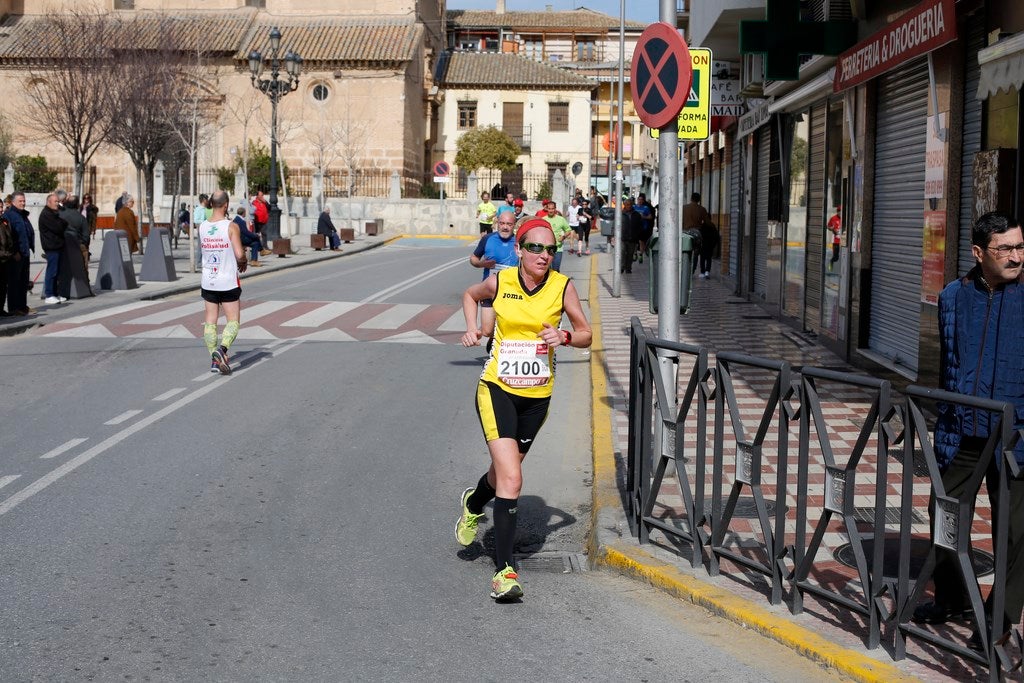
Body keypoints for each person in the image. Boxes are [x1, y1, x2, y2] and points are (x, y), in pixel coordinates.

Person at [457, 216, 592, 601]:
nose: (543, 255)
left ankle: (473, 501)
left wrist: (564, 335)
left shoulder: (563, 287)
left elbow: (587, 333)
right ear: (519, 250)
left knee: (503, 473)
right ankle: (504, 572)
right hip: (497, 388)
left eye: (550, 249)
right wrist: (471, 328)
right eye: (535, 247)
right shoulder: (501, 281)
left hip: (537, 396)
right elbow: (470, 295)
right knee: (513, 480)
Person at [913, 212, 1024, 651]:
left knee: (1014, 532)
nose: (1017, 256)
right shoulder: (953, 296)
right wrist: (945, 419)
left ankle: (998, 617)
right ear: (979, 253)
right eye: (1006, 249)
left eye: (1020, 247)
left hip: (1017, 437)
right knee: (946, 513)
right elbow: (948, 365)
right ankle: (953, 597)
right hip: (963, 431)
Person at [200, 190, 247, 375]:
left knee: (210, 321)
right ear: (226, 205)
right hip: (227, 280)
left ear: (211, 204)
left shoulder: (202, 226)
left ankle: (213, 359)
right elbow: (239, 254)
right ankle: (222, 349)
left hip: (208, 280)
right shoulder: (231, 226)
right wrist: (243, 262)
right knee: (233, 320)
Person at [469, 210, 518, 344]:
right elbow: (473, 258)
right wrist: (481, 264)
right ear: (497, 223)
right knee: (487, 331)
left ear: (514, 225)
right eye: (502, 223)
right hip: (489, 290)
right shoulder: (487, 239)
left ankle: (500, 345)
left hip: (512, 291)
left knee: (511, 326)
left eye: (509, 224)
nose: (505, 227)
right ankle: (494, 336)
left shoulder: (520, 241)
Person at [3, 192, 33, 315]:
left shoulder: (22, 215)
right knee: (14, 283)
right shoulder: (9, 215)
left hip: (25, 253)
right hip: (16, 255)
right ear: (13, 202)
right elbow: (9, 237)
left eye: (24, 201)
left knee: (23, 281)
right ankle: (14, 308)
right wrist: (14, 252)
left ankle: (23, 306)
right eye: (20, 201)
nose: (23, 203)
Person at [38, 192, 68, 305]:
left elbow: (63, 223)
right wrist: (62, 222)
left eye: (57, 201)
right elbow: (59, 227)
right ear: (48, 202)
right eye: (55, 201)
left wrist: (62, 221)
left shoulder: (53, 213)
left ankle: (55, 293)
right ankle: (49, 294)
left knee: (57, 272)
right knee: (52, 271)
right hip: (51, 247)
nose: (57, 203)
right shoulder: (46, 214)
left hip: (57, 246)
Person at [60, 195, 92, 292]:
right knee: (83, 268)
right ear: (77, 205)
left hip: (63, 245)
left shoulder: (60, 215)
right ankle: (86, 288)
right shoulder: (81, 218)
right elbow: (86, 235)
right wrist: (84, 245)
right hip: (79, 245)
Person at [542, 199, 571, 273]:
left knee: (556, 269)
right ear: (546, 209)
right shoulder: (543, 220)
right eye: (549, 209)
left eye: (552, 209)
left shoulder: (561, 219)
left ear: (555, 209)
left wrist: (563, 237)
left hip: (558, 248)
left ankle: (556, 283)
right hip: (546, 248)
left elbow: (568, 230)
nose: (551, 210)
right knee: (547, 269)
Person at [620, 197, 642, 274]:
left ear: (632, 205)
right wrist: (613, 236)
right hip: (622, 237)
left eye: (629, 204)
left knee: (630, 254)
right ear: (624, 205)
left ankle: (628, 268)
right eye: (626, 205)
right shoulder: (620, 215)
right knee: (622, 253)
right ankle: (622, 267)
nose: (628, 206)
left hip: (633, 238)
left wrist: (638, 236)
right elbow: (615, 225)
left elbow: (640, 226)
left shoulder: (637, 215)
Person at [827, 207, 842, 271]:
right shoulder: (833, 218)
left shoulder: (845, 218)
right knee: (836, 257)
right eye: (839, 211)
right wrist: (832, 228)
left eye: (841, 211)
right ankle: (831, 261)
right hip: (835, 241)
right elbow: (828, 226)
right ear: (837, 212)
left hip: (843, 241)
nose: (840, 213)